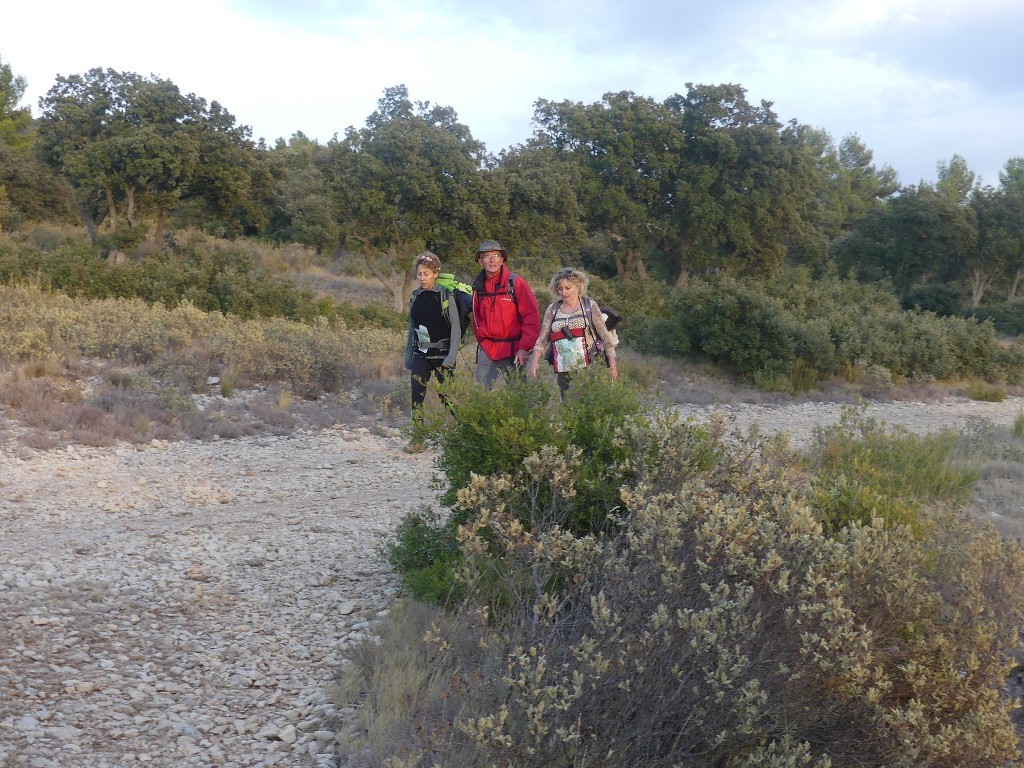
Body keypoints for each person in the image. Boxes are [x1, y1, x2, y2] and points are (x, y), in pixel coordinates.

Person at [528, 267, 618, 397]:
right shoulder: (552, 309)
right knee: (569, 407)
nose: (564, 292)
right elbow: (542, 339)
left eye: (568, 288)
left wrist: (613, 365)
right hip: (564, 369)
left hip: (590, 367)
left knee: (589, 405)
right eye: (560, 288)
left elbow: (605, 337)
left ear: (578, 287)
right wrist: (535, 362)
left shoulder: (589, 306)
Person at [402, 251, 460, 453]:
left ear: (436, 273)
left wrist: (451, 357)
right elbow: (412, 327)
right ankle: (417, 439)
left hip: (442, 357)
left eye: (426, 273)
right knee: (416, 396)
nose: (422, 278)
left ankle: (464, 433)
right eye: (419, 274)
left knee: (448, 397)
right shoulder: (415, 296)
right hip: (421, 355)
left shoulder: (445, 295)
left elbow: (456, 329)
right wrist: (408, 355)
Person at [471, 239, 541, 388]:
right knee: (480, 396)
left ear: (502, 259)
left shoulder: (515, 283)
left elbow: (531, 317)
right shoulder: (478, 287)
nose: (492, 259)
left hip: (515, 350)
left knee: (519, 398)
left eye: (496, 255)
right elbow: (476, 319)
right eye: (487, 256)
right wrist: (483, 342)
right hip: (488, 349)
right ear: (480, 261)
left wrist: (524, 347)